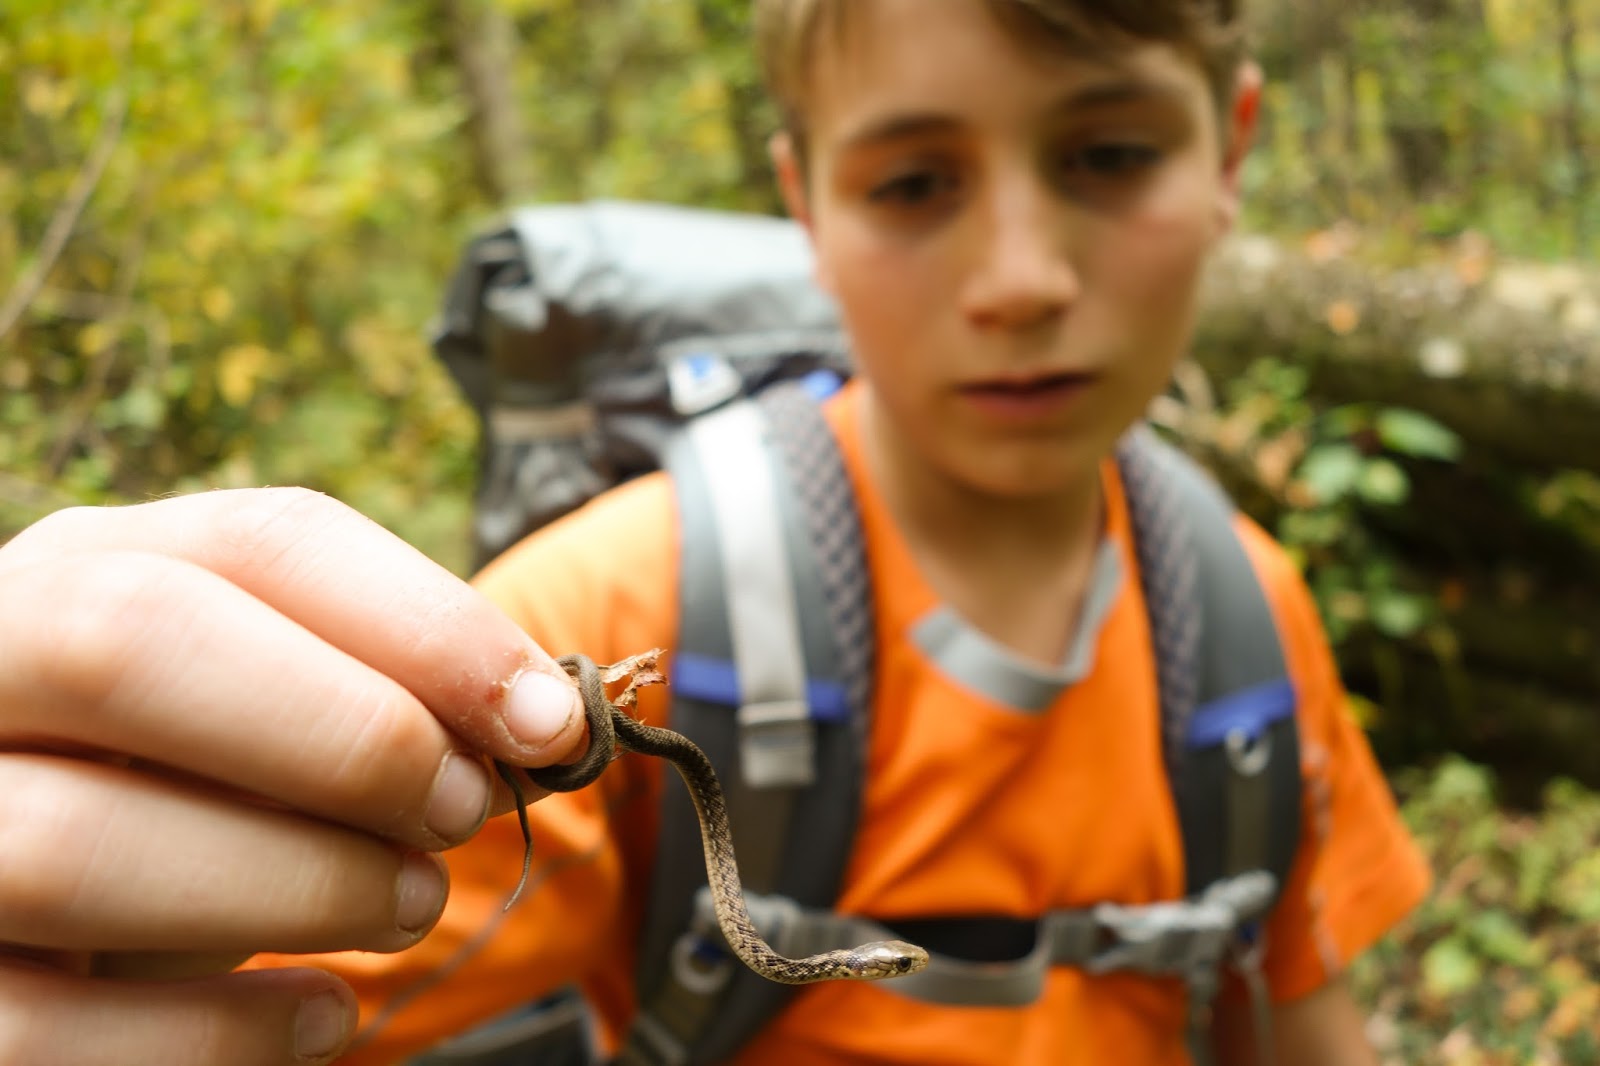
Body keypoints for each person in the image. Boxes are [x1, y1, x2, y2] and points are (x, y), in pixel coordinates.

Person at [0, 1, 1429, 1063]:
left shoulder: (1252, 615)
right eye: (917, 180)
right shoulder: (609, 611)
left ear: (1232, 146)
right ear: (802, 201)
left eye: (1108, 150)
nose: (1020, 281)